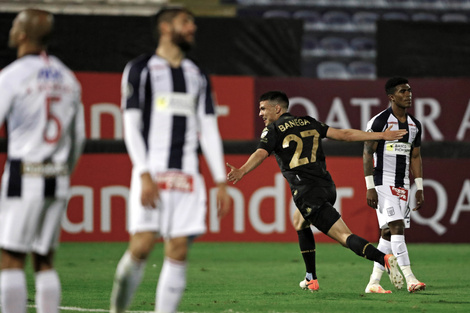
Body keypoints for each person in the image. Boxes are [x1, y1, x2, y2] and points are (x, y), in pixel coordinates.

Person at [110, 6, 231, 313]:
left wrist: (220, 180)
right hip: (154, 171)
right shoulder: (141, 69)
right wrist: (144, 172)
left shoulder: (197, 74)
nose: (193, 28)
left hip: (188, 176)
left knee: (178, 251)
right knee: (141, 246)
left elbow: (209, 129)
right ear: (166, 28)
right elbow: (131, 127)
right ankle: (117, 310)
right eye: (185, 22)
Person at [227, 91, 408, 291]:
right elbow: (344, 135)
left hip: (308, 194)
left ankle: (383, 258)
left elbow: (261, 153)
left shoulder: (273, 129)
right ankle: (311, 278)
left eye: (263, 108)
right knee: (299, 221)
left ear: (277, 108)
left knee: (344, 237)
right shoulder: (308, 122)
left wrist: (242, 170)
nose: (260, 113)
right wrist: (381, 135)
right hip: (327, 187)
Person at [0, 8, 85, 313]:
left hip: (23, 176)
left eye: (14, 25)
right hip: (57, 177)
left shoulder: (12, 77)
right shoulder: (67, 77)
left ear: (22, 34)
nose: (10, 30)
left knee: (10, 259)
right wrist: (63, 171)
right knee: (45, 260)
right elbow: (79, 138)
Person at [363, 77, 426, 294]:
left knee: (388, 233)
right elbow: (367, 152)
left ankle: (373, 282)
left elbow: (416, 157)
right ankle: (410, 278)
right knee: (397, 226)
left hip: (403, 185)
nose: (408, 94)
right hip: (383, 182)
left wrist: (419, 187)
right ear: (391, 97)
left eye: (409, 90)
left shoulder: (415, 125)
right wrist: (369, 185)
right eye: (402, 91)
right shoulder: (379, 122)